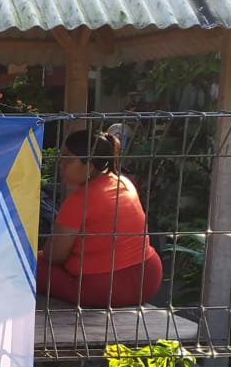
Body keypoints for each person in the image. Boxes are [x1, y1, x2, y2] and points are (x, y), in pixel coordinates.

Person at [37, 129, 161, 307]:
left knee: (27, 266)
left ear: (90, 166)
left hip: (106, 287)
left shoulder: (80, 200)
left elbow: (54, 256)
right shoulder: (124, 183)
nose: (60, 165)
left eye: (67, 159)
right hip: (148, 279)